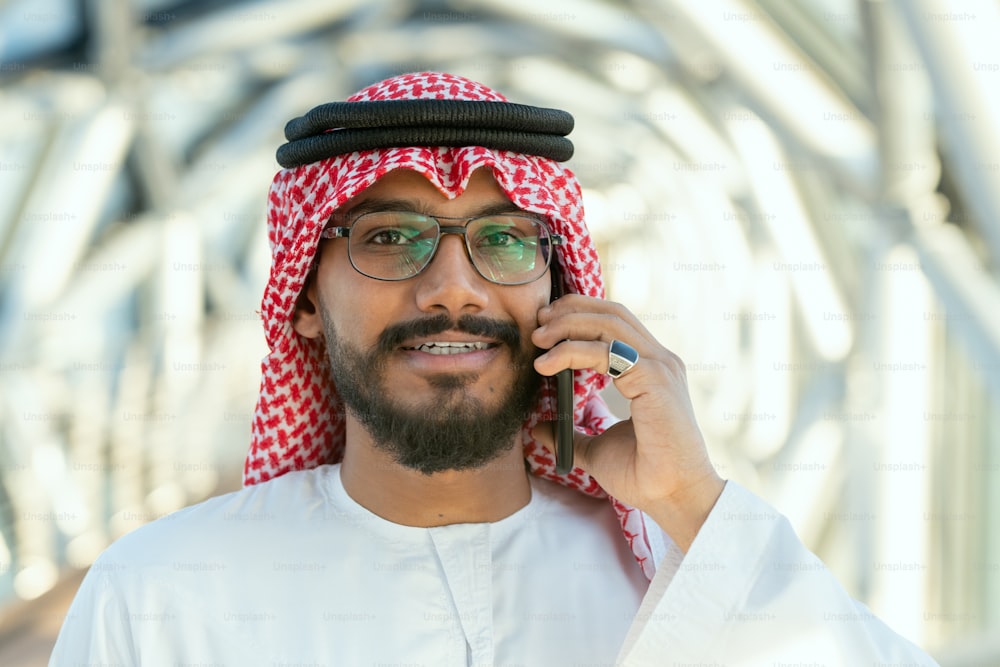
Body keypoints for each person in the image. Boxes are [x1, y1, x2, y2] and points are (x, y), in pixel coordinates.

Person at [49, 71, 938, 666]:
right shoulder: (163, 593)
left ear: (562, 288)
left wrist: (690, 502)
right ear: (305, 302)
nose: (451, 288)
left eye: (506, 240)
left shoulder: (695, 570)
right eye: (389, 238)